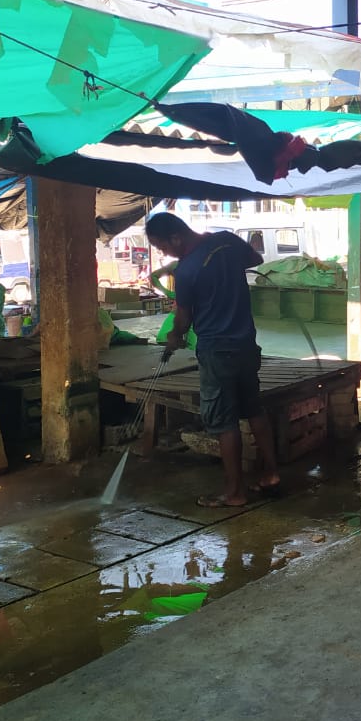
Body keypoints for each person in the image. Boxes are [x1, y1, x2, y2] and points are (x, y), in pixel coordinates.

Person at [145, 212, 281, 509]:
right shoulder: (226, 241)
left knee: (224, 421)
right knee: (254, 409)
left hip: (216, 351)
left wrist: (175, 336)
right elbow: (255, 259)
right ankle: (271, 474)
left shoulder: (186, 271)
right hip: (246, 344)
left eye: (161, 246)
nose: (163, 252)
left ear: (176, 238)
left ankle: (234, 493)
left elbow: (183, 319)